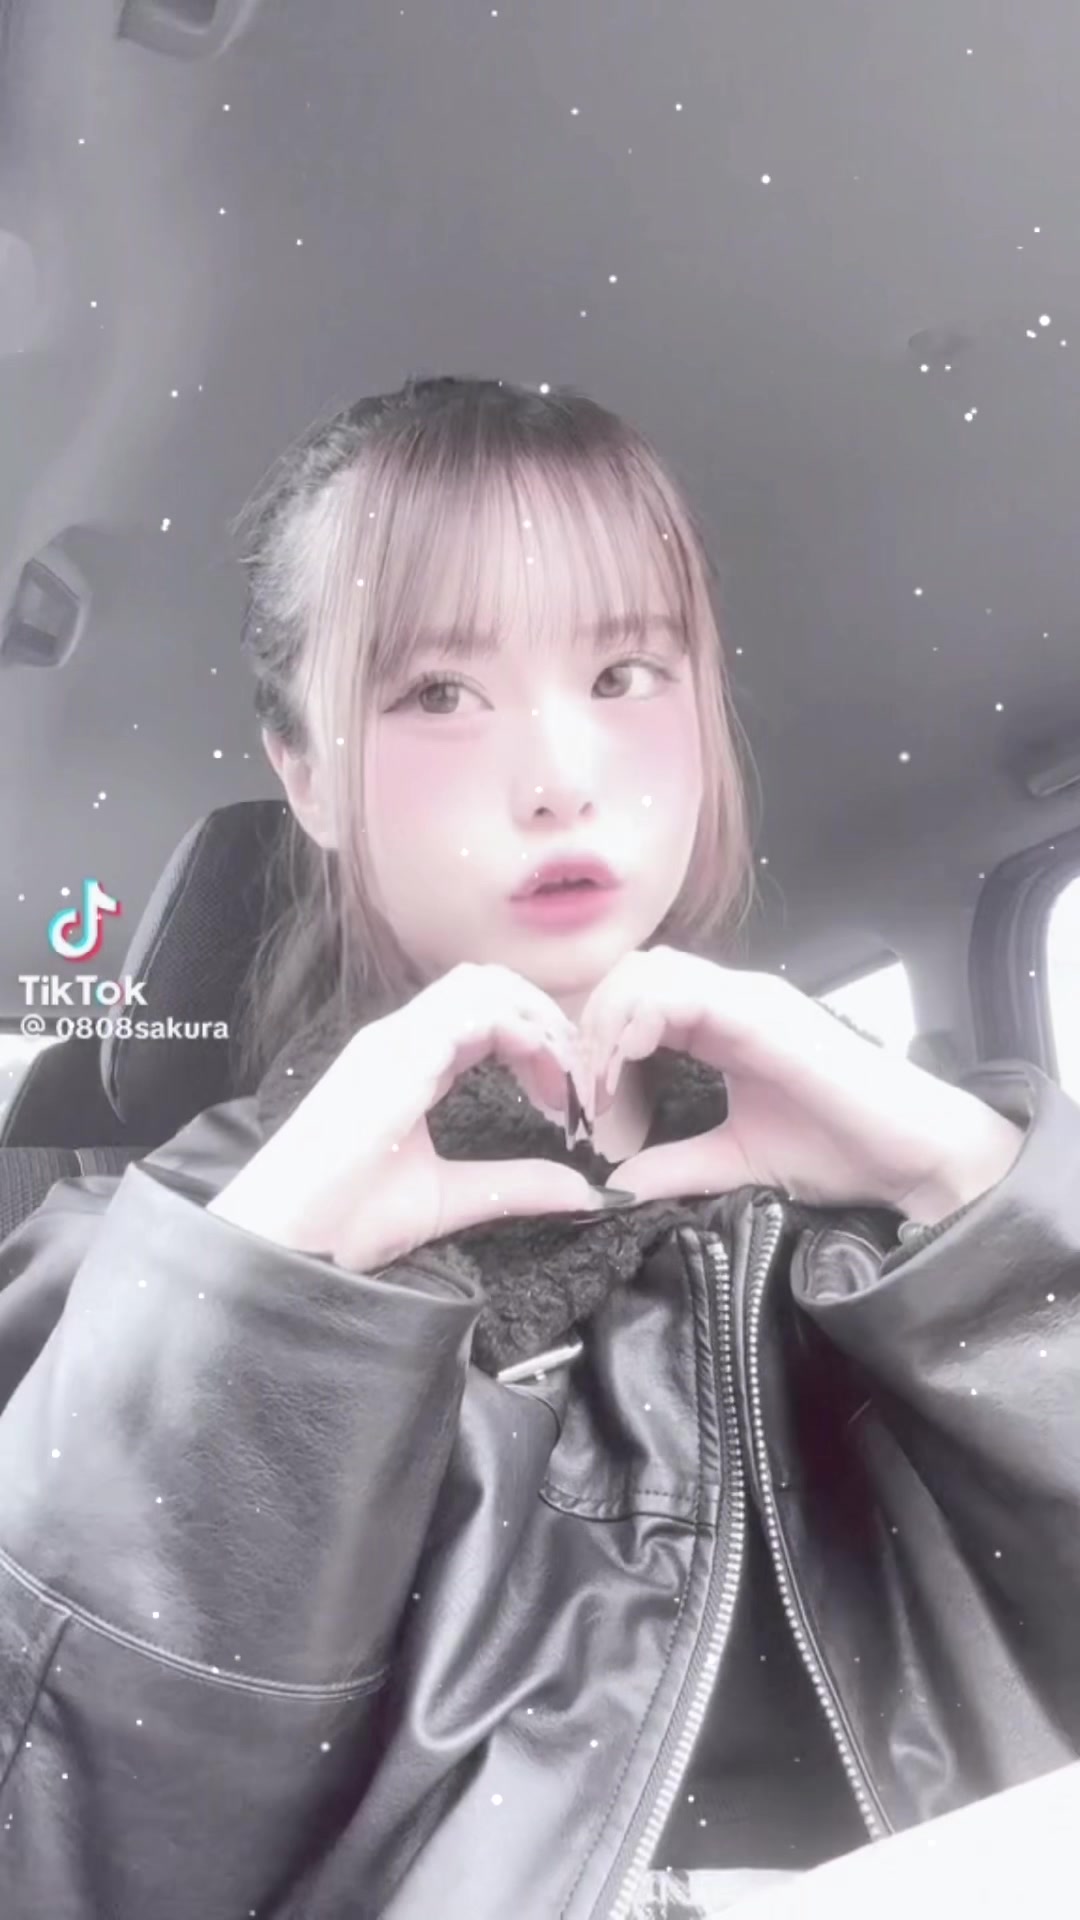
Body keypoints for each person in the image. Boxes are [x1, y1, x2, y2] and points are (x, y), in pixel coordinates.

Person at [0, 375, 1077, 1920]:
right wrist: (249, 1310)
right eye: (438, 693)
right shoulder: (129, 1267)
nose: (562, 774)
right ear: (304, 773)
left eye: (629, 671)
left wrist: (975, 1198)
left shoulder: (906, 1197)